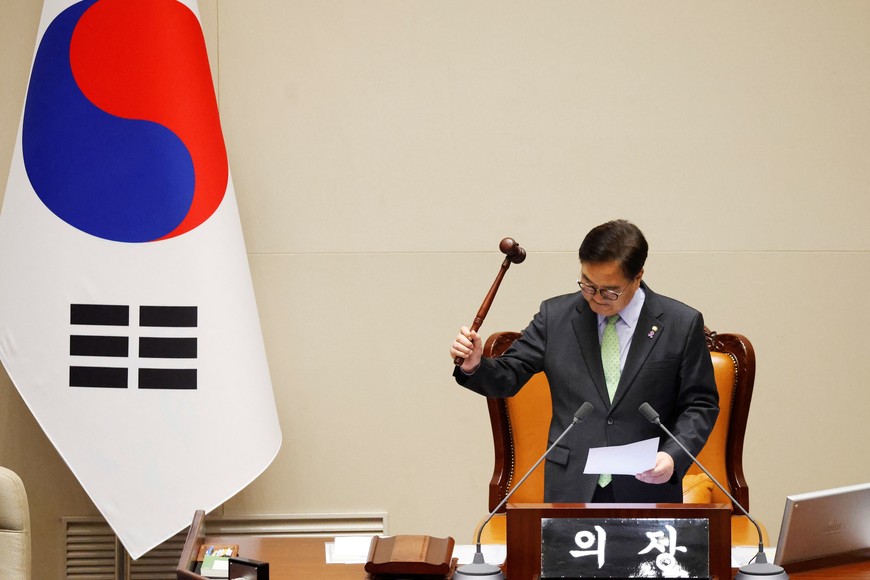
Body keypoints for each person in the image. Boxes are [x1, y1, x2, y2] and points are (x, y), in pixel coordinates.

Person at [450, 219, 719, 503]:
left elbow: (700, 404)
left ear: (638, 276)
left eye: (609, 291)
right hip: (571, 483)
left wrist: (672, 455)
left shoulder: (681, 323)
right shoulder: (556, 317)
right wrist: (474, 365)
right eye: (588, 285)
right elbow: (508, 376)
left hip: (648, 482)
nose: (595, 298)